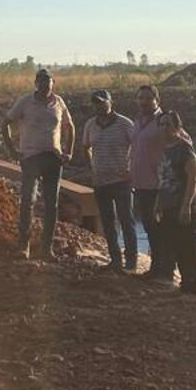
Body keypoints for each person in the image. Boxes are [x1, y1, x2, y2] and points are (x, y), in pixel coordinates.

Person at [1, 69, 75, 261]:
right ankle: (23, 246)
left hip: (53, 159)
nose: (44, 86)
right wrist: (12, 150)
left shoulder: (59, 102)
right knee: (28, 200)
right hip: (31, 158)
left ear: (53, 83)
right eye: (41, 82)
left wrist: (69, 151)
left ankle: (46, 248)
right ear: (36, 84)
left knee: (52, 204)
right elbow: (5, 123)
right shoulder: (25, 102)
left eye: (47, 82)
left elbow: (69, 126)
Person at [78, 89, 137, 271]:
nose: (99, 106)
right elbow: (85, 147)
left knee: (126, 220)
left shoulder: (125, 124)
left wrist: (131, 170)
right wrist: (92, 167)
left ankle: (131, 261)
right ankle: (115, 260)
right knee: (108, 222)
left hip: (122, 181)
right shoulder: (90, 125)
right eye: (96, 103)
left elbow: (138, 146)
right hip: (100, 181)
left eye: (102, 102)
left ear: (111, 103)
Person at [154, 110, 196, 296]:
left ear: (177, 127)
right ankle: (185, 285)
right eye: (161, 124)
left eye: (168, 124)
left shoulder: (184, 148)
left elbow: (194, 177)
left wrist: (186, 206)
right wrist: (158, 203)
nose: (164, 128)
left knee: (189, 246)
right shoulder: (164, 149)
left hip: (182, 204)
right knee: (176, 246)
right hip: (167, 204)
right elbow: (162, 179)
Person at [128, 84, 170, 277]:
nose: (143, 102)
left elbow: (183, 142)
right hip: (141, 183)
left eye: (148, 98)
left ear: (157, 101)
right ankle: (157, 266)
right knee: (149, 226)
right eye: (140, 98)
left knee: (159, 227)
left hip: (159, 185)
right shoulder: (137, 122)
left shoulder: (164, 122)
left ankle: (164, 269)